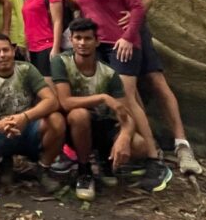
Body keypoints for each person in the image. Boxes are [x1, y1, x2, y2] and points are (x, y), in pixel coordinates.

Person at [93, 0, 202, 175]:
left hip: (136, 33)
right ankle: (148, 145)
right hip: (110, 39)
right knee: (128, 89)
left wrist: (133, 18)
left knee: (155, 80)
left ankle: (182, 144)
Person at [75, 0, 171, 192]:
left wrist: (128, 37)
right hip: (99, 49)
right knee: (105, 101)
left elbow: (137, 6)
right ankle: (115, 154)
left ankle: (154, 159)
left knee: (127, 99)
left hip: (121, 46)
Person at [51, 17, 164, 200]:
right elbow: (65, 102)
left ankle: (105, 160)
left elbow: (124, 113)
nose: (82, 43)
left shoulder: (108, 74)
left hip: (103, 126)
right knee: (79, 114)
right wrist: (103, 97)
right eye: (78, 38)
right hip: (73, 129)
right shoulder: (61, 63)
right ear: (71, 40)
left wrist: (125, 137)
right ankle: (84, 169)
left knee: (139, 145)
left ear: (97, 41)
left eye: (88, 38)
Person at [0, 33, 65, 192]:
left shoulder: (26, 69)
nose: (2, 55)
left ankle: (43, 168)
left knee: (57, 121)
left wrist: (25, 117)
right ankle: (4, 161)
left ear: (13, 50)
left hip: (28, 126)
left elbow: (51, 100)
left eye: (6, 50)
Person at [21, 0, 63, 76]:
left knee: (50, 82)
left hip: (47, 46)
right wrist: (27, 47)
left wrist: (55, 47)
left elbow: (58, 21)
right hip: (33, 49)